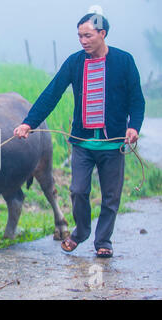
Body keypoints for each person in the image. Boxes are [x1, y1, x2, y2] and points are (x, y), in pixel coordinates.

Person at [13, 13, 145, 258]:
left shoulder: (124, 62)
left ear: (102, 34)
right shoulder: (75, 63)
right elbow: (52, 93)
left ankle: (103, 240)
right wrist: (28, 123)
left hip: (113, 143)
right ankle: (81, 231)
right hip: (83, 143)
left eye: (88, 35)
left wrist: (133, 127)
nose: (83, 41)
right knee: (78, 190)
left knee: (110, 197)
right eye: (80, 36)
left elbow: (137, 101)